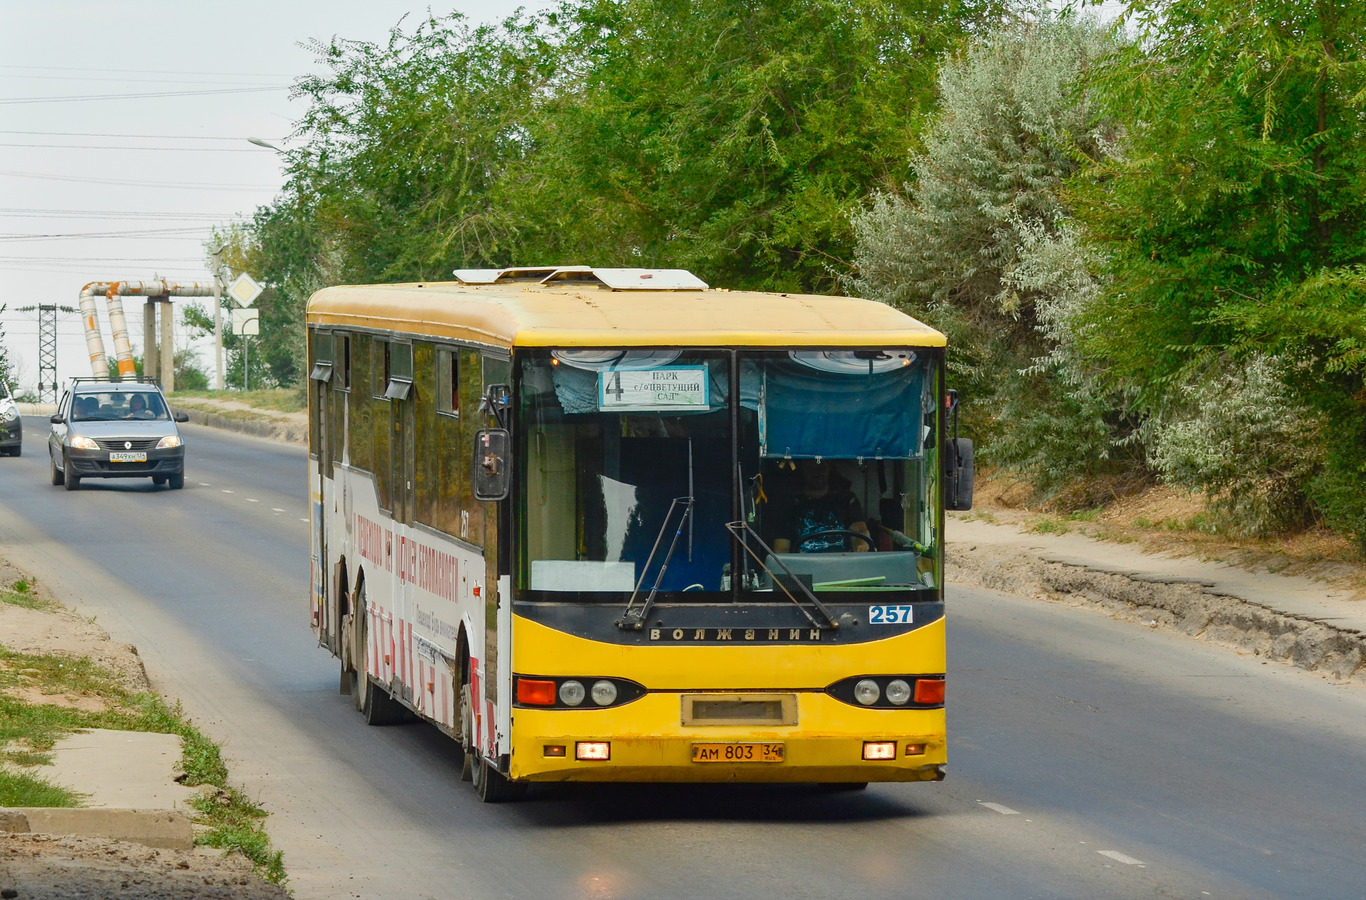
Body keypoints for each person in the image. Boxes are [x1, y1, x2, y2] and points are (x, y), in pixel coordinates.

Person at [770, 459, 870, 553]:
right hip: (802, 568)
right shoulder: (789, 503)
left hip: (841, 566)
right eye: (811, 468)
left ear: (829, 468)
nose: (816, 472)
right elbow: (781, 549)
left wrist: (861, 545)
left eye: (821, 468)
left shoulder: (846, 499)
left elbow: (859, 530)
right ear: (802, 469)